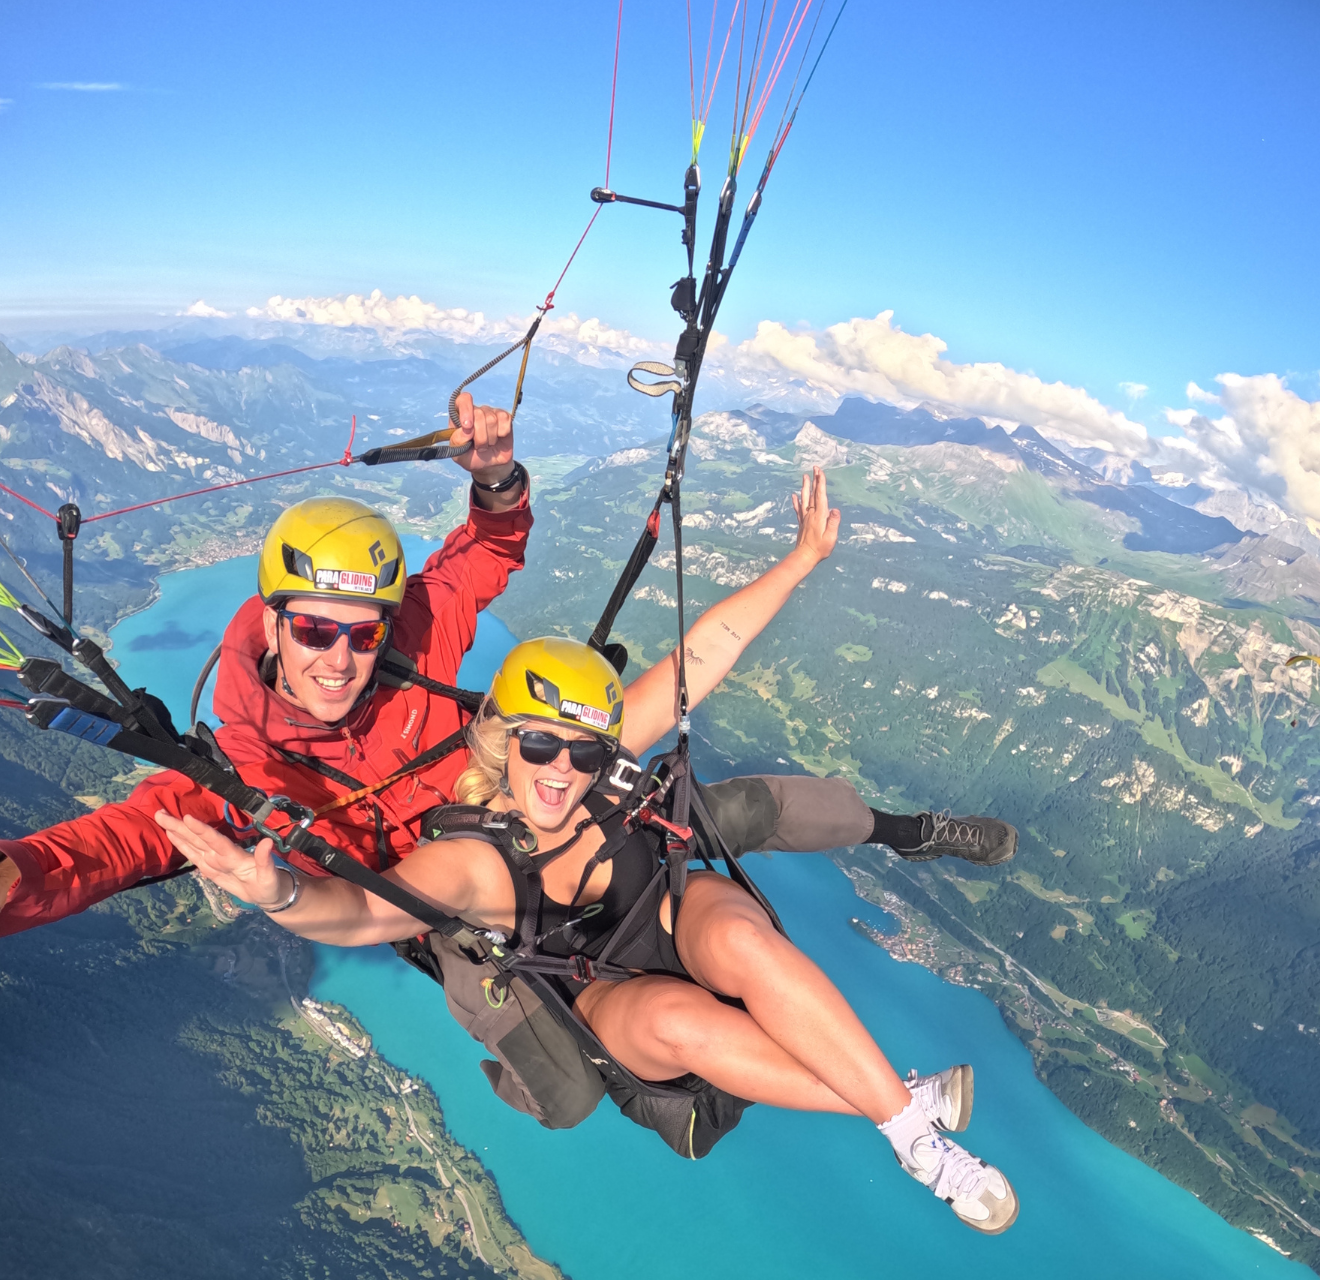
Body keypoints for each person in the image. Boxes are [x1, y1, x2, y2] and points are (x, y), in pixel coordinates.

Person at [156, 470, 1021, 1234]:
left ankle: (913, 1121)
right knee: (680, 1023)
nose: (562, 772)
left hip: (666, 909)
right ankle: (908, 1112)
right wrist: (281, 898)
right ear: (501, 744)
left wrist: (799, 562)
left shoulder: (590, 763)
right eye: (539, 750)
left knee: (747, 922)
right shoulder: (476, 857)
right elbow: (366, 912)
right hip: (594, 988)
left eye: (584, 753)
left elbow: (700, 656)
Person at [0, 394, 530, 1005]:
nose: (341, 660)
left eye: (363, 633)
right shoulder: (242, 769)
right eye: (314, 630)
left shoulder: (416, 638)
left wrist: (496, 478)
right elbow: (110, 846)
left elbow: (482, 555)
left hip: (517, 822)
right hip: (440, 903)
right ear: (272, 625)